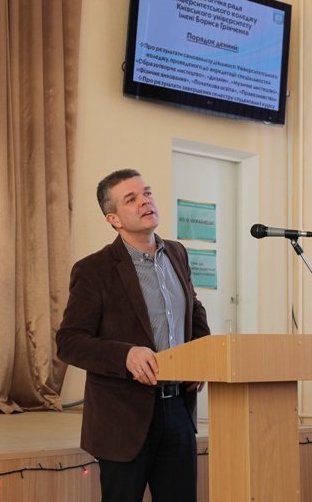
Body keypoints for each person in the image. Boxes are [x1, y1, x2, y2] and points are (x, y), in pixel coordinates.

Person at [56, 169, 210, 502]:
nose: (145, 201)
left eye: (147, 193)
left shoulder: (177, 254)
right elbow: (69, 341)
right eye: (131, 199)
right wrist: (125, 355)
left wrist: (199, 356)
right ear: (113, 219)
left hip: (179, 410)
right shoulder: (94, 269)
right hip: (122, 418)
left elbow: (194, 310)